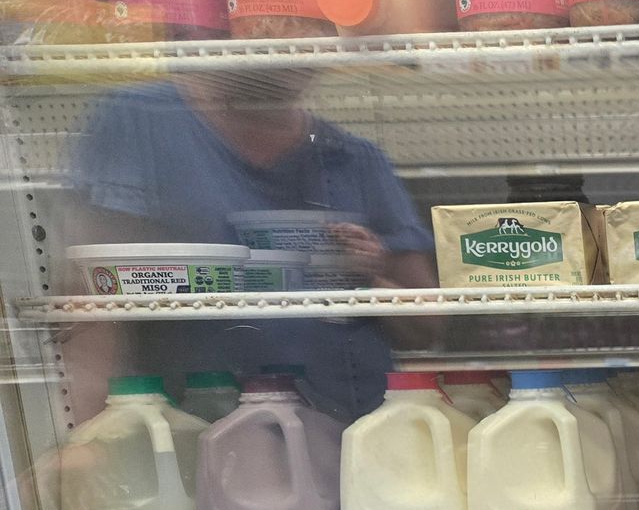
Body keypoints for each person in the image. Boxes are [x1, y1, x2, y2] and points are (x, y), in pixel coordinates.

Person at [67, 69, 435, 422]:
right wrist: (87, 440)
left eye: (312, 32)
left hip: (351, 427)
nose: (290, 48)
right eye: (267, 26)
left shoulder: (351, 159)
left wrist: (366, 280)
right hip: (191, 426)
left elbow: (428, 327)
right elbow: (94, 303)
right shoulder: (145, 120)